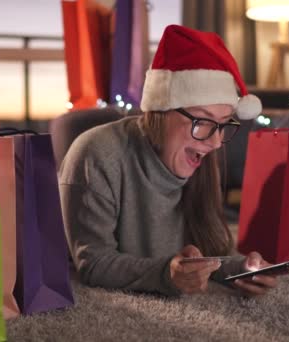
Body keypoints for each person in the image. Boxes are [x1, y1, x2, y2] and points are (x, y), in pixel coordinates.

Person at [59, 24, 277, 296]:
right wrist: (166, 274)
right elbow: (93, 264)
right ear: (161, 111)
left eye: (223, 124)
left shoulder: (201, 153)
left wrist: (240, 268)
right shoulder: (95, 153)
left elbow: (205, 255)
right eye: (203, 120)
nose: (216, 142)